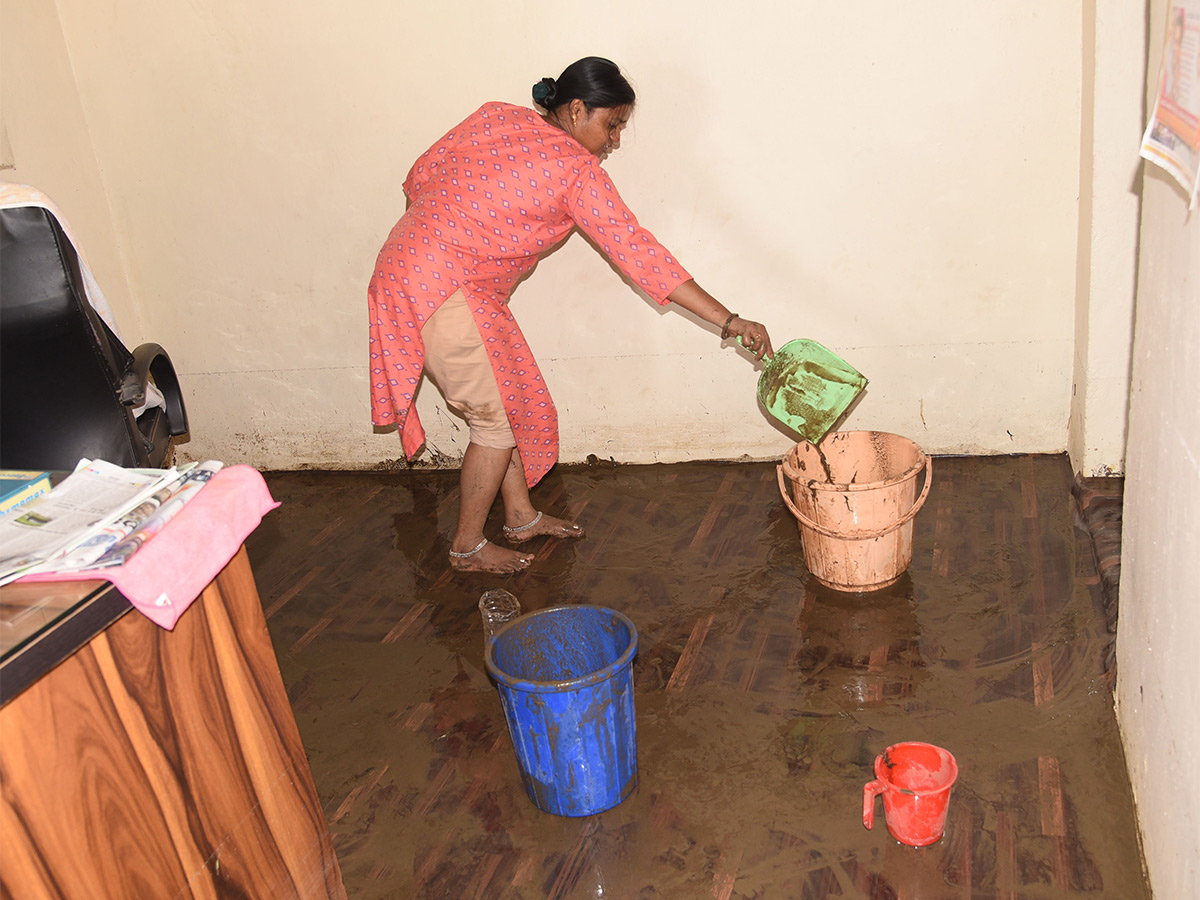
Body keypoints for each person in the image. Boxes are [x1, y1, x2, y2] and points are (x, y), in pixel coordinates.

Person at [368, 57, 773, 574]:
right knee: (493, 420)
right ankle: (467, 546)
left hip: (421, 270)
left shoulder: (497, 116)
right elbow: (639, 254)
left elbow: (419, 176)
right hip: (442, 286)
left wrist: (446, 242)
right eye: (613, 124)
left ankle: (520, 518)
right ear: (577, 109)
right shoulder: (576, 171)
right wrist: (730, 320)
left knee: (508, 401)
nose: (616, 140)